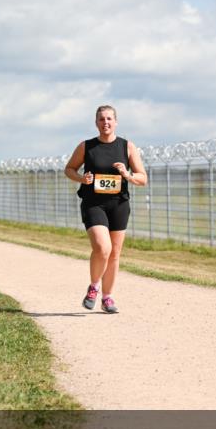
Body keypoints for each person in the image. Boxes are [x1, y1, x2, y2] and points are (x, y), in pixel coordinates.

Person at [64, 104, 147, 313]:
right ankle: (94, 287)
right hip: (93, 203)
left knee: (114, 254)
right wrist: (82, 178)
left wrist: (128, 175)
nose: (105, 123)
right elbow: (69, 169)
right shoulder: (87, 146)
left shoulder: (127, 147)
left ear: (116, 122)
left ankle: (108, 298)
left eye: (109, 119)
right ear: (96, 123)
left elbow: (142, 178)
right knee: (103, 248)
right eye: (101, 119)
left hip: (118, 204)